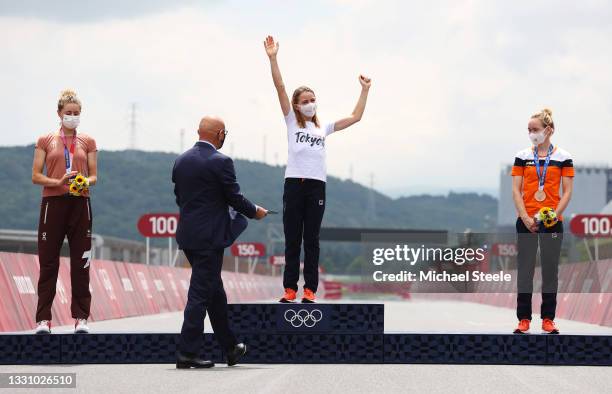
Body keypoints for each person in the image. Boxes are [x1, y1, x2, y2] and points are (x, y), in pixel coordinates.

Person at [263, 35, 372, 303]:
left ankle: (310, 290)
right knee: (292, 240)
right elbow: (279, 87)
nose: (312, 103)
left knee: (311, 240)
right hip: (294, 184)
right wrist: (273, 58)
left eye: (314, 99)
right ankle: (290, 289)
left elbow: (356, 117)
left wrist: (365, 90)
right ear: (298, 105)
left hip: (316, 186)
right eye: (306, 100)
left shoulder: (322, 128)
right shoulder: (292, 122)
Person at [173, 115, 268, 369]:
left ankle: (230, 347)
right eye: (225, 133)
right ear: (219, 134)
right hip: (209, 239)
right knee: (200, 295)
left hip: (188, 236)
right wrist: (255, 211)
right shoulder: (221, 161)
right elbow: (234, 197)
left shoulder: (180, 161)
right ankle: (187, 353)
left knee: (214, 292)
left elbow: (180, 198)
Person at [31, 89, 98, 334]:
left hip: (80, 203)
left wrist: (85, 181)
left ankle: (81, 318)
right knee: (49, 263)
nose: (72, 116)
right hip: (53, 203)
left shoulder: (88, 141)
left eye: (76, 113)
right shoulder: (45, 140)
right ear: (59, 114)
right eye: (68, 113)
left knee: (81, 263)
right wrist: (57, 182)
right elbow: (36, 176)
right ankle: (43, 320)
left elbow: (94, 176)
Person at [511, 108, 574, 334]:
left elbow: (567, 192)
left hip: (552, 222)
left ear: (548, 130)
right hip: (526, 220)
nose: (531, 133)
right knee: (525, 270)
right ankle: (524, 319)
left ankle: (548, 319)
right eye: (529, 130)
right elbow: (516, 191)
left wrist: (554, 215)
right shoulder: (522, 156)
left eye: (535, 129)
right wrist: (526, 217)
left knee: (550, 271)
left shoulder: (563, 157)